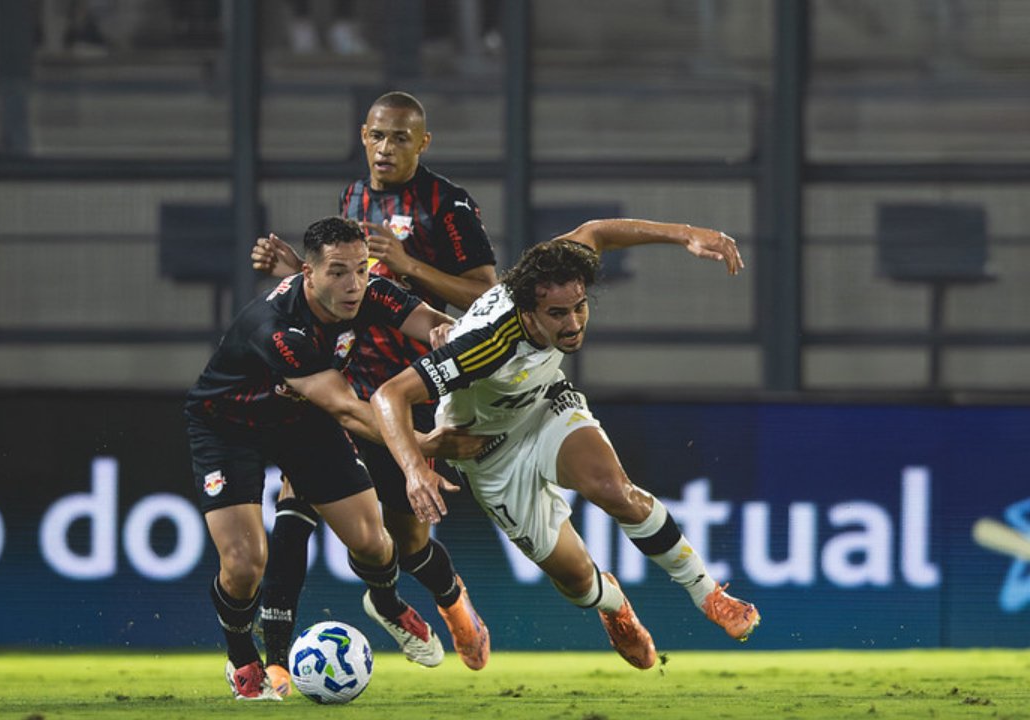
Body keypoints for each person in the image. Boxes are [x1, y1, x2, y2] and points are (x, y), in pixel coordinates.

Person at [370, 218, 761, 670]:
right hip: (487, 450)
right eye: (558, 315)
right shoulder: (484, 344)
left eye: (579, 307)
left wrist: (686, 235)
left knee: (616, 490)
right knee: (576, 580)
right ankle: (613, 605)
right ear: (526, 312)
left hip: (543, 408)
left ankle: (708, 594)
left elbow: (595, 232)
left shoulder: (554, 270)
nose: (573, 323)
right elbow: (388, 396)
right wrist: (416, 464)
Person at [250, 90, 497, 691]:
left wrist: (411, 266)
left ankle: (440, 599)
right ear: (364, 135)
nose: (387, 148)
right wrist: (296, 271)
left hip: (409, 387)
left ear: (423, 142)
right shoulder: (354, 198)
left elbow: (487, 296)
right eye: (378, 136)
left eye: (401, 138)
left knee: (407, 539)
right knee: (296, 493)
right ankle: (274, 661)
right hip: (345, 376)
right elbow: (343, 288)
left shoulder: (449, 204)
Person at [187, 216, 484, 700]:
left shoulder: (370, 293)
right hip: (228, 427)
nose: (354, 285)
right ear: (309, 274)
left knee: (373, 542)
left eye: (361, 270)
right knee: (244, 564)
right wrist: (422, 448)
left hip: (300, 421)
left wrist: (448, 333)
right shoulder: (278, 329)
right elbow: (347, 409)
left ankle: (385, 603)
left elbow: (430, 322)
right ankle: (243, 659)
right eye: (338, 272)